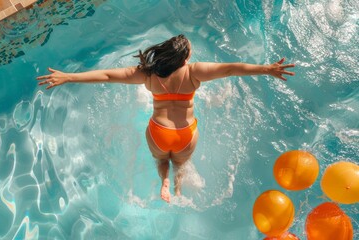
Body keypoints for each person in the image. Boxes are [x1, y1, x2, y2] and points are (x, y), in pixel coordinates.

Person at [37, 34, 295, 203]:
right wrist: (266, 69)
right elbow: (229, 69)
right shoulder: (194, 72)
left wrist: (69, 77)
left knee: (161, 158)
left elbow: (106, 76)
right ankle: (179, 189)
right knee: (180, 163)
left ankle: (164, 182)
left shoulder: (148, 74)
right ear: (184, 58)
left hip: (158, 132)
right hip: (186, 133)